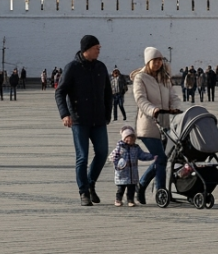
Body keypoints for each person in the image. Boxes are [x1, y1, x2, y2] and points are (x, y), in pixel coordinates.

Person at [55, 35, 113, 207]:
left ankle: (90, 182)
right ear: (86, 49)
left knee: (102, 153)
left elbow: (108, 93)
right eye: (97, 48)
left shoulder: (100, 67)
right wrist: (65, 114)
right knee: (82, 157)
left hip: (98, 119)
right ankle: (83, 192)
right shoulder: (72, 67)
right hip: (79, 119)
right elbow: (60, 92)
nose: (99, 50)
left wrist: (107, 114)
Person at [132, 46, 180, 202]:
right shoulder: (140, 78)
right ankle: (161, 193)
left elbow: (173, 95)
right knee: (161, 158)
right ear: (148, 61)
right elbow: (140, 99)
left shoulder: (164, 77)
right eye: (155, 60)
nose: (158, 63)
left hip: (165, 124)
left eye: (160, 60)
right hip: (148, 125)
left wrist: (177, 107)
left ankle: (142, 185)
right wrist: (153, 110)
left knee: (162, 159)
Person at [110, 125, 156, 207]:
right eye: (132, 138)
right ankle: (118, 199)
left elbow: (142, 155)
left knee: (131, 189)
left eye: (134, 138)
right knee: (121, 188)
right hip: (122, 173)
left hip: (132, 174)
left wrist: (152, 156)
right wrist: (118, 165)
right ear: (126, 139)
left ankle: (130, 200)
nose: (134, 140)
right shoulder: (120, 148)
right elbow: (112, 157)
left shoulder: (136, 148)